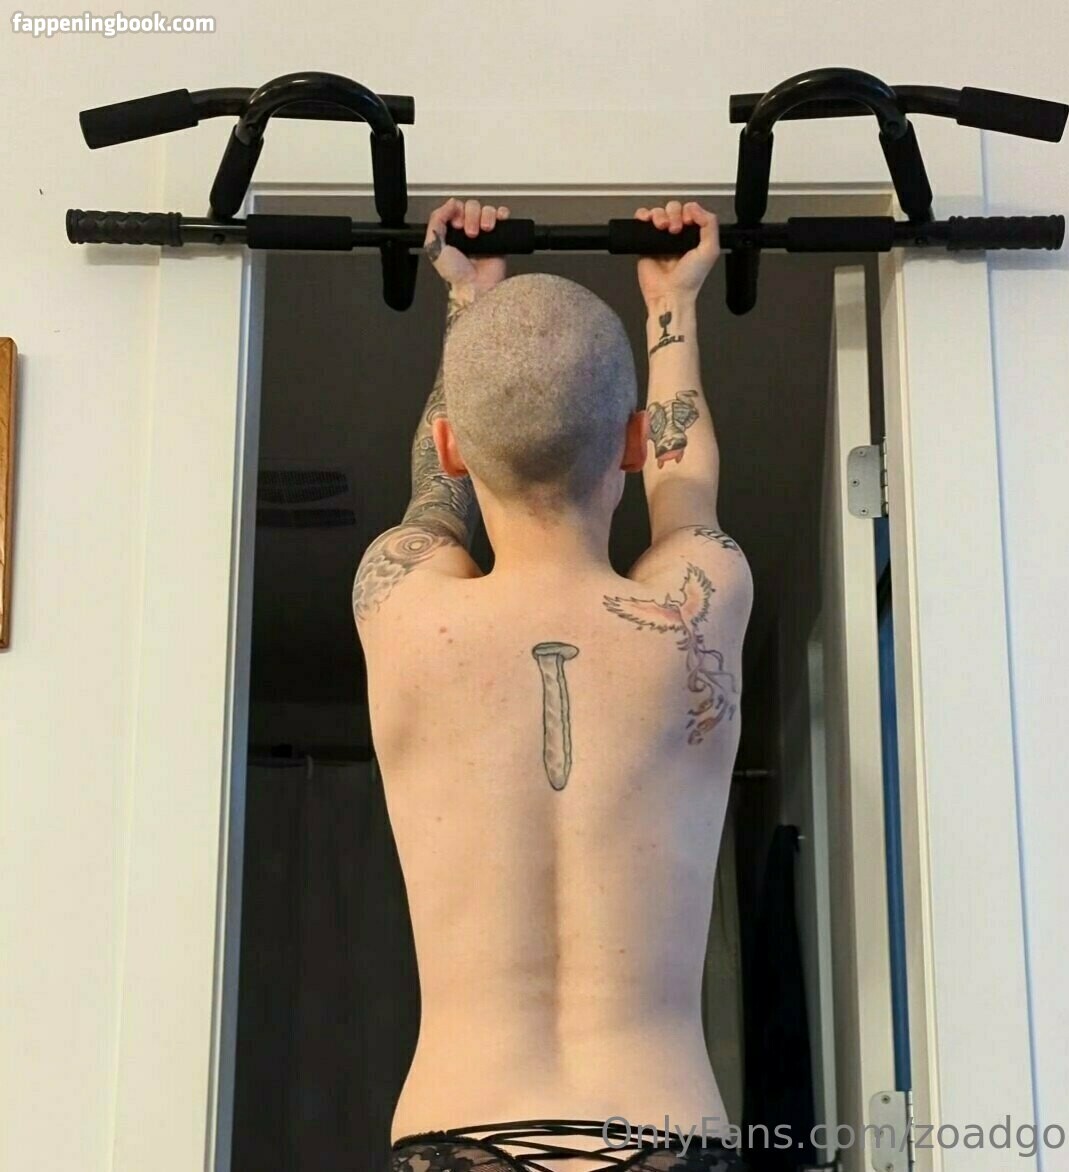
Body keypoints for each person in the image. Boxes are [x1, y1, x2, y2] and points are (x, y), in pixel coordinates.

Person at [353, 197, 753, 1172]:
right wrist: (672, 305)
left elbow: (433, 500)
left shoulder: (402, 606)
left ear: (455, 442)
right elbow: (686, 488)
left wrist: (468, 304)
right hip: (664, 1129)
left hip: (461, 1128)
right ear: (631, 441)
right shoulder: (701, 603)